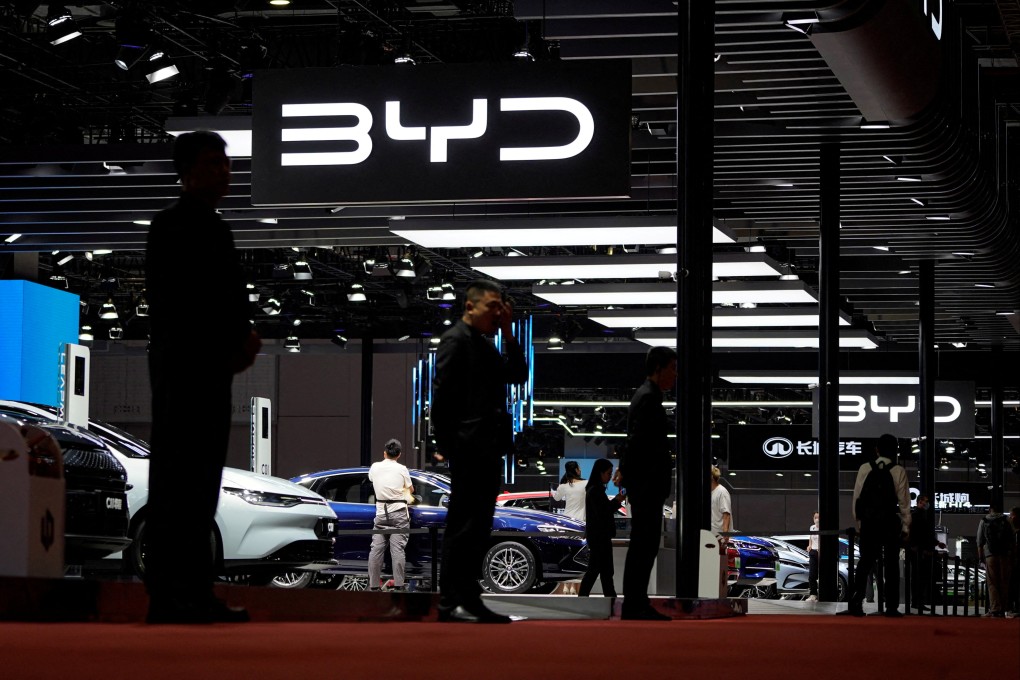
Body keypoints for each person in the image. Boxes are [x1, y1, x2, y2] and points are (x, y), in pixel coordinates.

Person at [144, 131, 261, 624]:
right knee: (179, 482)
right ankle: (171, 595)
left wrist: (238, 341)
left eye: (227, 163)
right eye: (214, 162)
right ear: (187, 171)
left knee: (201, 483)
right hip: (185, 369)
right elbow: (180, 304)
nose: (225, 171)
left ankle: (192, 591)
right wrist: (233, 341)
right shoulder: (172, 226)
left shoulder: (214, 227)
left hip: (207, 369)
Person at [431, 279, 527, 623]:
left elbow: (517, 374)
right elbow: (442, 398)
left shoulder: (483, 344)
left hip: (487, 446)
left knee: (478, 526)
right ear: (470, 306)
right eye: (492, 306)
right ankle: (450, 603)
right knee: (463, 526)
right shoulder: (456, 340)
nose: (498, 313)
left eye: (501, 307)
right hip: (469, 448)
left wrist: (510, 334)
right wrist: (447, 446)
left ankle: (468, 599)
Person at [618, 346, 677, 621]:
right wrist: (632, 476)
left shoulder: (647, 396)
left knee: (644, 543)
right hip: (646, 484)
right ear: (658, 368)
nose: (675, 374)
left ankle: (636, 602)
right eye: (672, 368)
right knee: (644, 544)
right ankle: (635, 603)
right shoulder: (648, 398)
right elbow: (638, 443)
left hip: (644, 483)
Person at [838, 433, 910, 618]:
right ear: (894, 451)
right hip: (889, 524)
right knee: (891, 565)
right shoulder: (898, 470)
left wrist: (860, 523)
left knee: (864, 563)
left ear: (877, 450)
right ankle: (891, 607)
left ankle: (856, 604)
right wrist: (905, 528)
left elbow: (857, 498)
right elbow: (904, 503)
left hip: (869, 524)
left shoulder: (865, 468)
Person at [367, 439, 414, 591]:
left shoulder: (375, 467)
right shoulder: (402, 469)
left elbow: (371, 479)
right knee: (397, 551)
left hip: (381, 514)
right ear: (399, 454)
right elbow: (411, 490)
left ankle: (374, 586)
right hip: (399, 514)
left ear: (384, 453)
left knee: (376, 550)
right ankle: (399, 586)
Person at [578, 458, 625, 598]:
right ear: (600, 473)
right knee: (601, 571)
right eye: (608, 473)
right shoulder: (595, 490)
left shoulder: (594, 490)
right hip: (600, 537)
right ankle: (608, 599)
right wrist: (617, 500)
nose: (610, 476)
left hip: (598, 536)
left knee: (601, 571)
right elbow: (604, 511)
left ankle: (606, 599)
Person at [976, 502, 1014, 617]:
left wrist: (981, 558)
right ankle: (1004, 608)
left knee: (992, 583)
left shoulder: (984, 520)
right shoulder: (1006, 519)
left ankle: (995, 608)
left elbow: (979, 541)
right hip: (1004, 555)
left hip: (990, 555)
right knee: (1004, 582)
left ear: (990, 509)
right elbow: (1012, 538)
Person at [908, 494, 943, 613]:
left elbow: (924, 534)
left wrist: (937, 543)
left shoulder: (919, 515)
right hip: (920, 552)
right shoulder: (917, 516)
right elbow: (921, 534)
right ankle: (917, 601)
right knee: (919, 577)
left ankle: (917, 601)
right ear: (919, 502)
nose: (927, 504)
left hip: (919, 551)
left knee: (919, 577)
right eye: (925, 501)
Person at [710, 466, 733, 543]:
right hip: (711, 535)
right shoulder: (711, 492)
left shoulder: (722, 492)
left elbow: (726, 514)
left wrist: (725, 534)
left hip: (719, 537)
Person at [807, 511, 820, 602]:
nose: (817, 519)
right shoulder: (812, 527)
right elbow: (810, 538)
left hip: (821, 552)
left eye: (818, 517)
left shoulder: (823, 528)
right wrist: (809, 546)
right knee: (812, 575)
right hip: (813, 552)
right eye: (815, 517)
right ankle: (813, 594)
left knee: (822, 574)